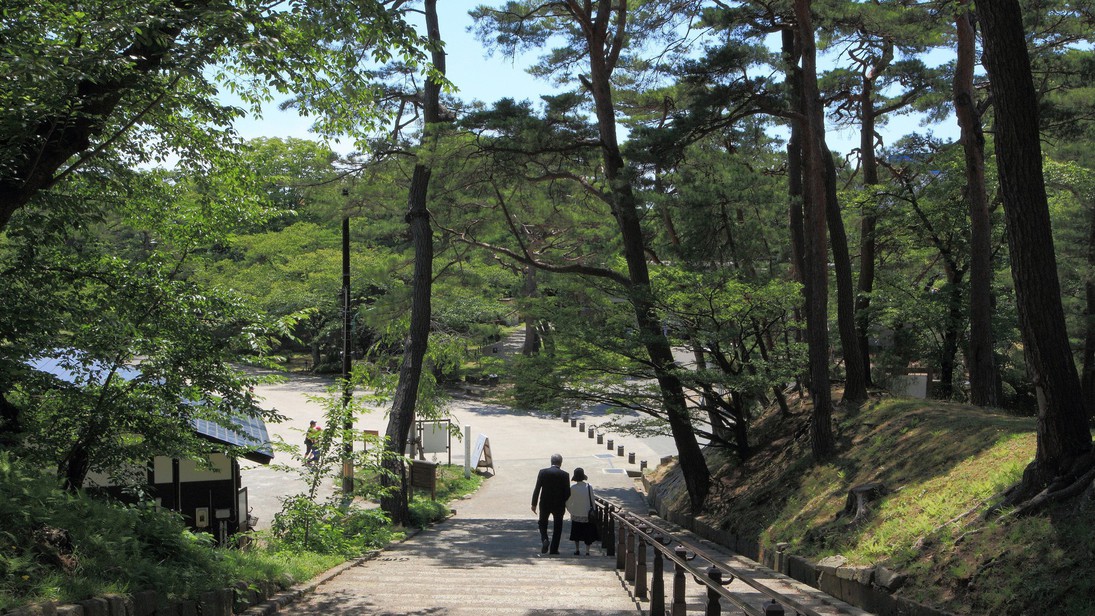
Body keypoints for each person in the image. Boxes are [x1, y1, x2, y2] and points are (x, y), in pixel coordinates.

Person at [531, 453, 571, 555]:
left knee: (542, 523)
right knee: (558, 526)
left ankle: (545, 539)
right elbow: (567, 493)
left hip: (545, 503)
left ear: (551, 461)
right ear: (561, 463)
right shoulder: (565, 475)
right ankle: (554, 549)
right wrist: (564, 501)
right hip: (559, 504)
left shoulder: (543, 472)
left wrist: (534, 504)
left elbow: (537, 488)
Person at [565, 467, 599, 555]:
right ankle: (587, 551)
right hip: (587, 514)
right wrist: (593, 511)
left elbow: (568, 502)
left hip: (576, 514)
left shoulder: (572, 488)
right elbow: (593, 501)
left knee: (576, 532)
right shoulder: (589, 487)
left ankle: (577, 550)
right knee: (588, 533)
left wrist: (571, 510)